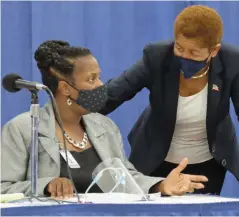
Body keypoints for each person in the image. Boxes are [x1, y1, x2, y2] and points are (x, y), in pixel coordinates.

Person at [1, 40, 208, 198]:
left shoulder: (105, 126)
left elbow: (127, 179)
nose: (101, 85)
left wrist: (161, 185)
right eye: (91, 79)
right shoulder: (23, 129)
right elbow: (4, 189)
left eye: (99, 76)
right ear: (65, 88)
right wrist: (46, 185)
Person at [100, 5, 239, 195]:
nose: (185, 57)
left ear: (213, 51)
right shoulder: (157, 57)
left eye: (194, 53)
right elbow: (113, 94)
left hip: (208, 165)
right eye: (180, 48)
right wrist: (71, 109)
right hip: (155, 159)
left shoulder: (232, 62)